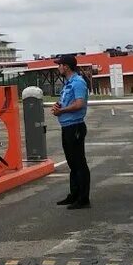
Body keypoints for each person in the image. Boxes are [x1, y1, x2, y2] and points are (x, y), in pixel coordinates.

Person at [51, 54, 90, 209]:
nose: (58, 67)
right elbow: (67, 102)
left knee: (79, 163)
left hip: (75, 126)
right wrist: (58, 106)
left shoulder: (78, 82)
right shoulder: (68, 83)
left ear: (66, 66)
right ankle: (74, 194)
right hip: (67, 126)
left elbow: (79, 104)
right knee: (72, 163)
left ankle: (83, 198)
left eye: (60, 65)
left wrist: (62, 111)